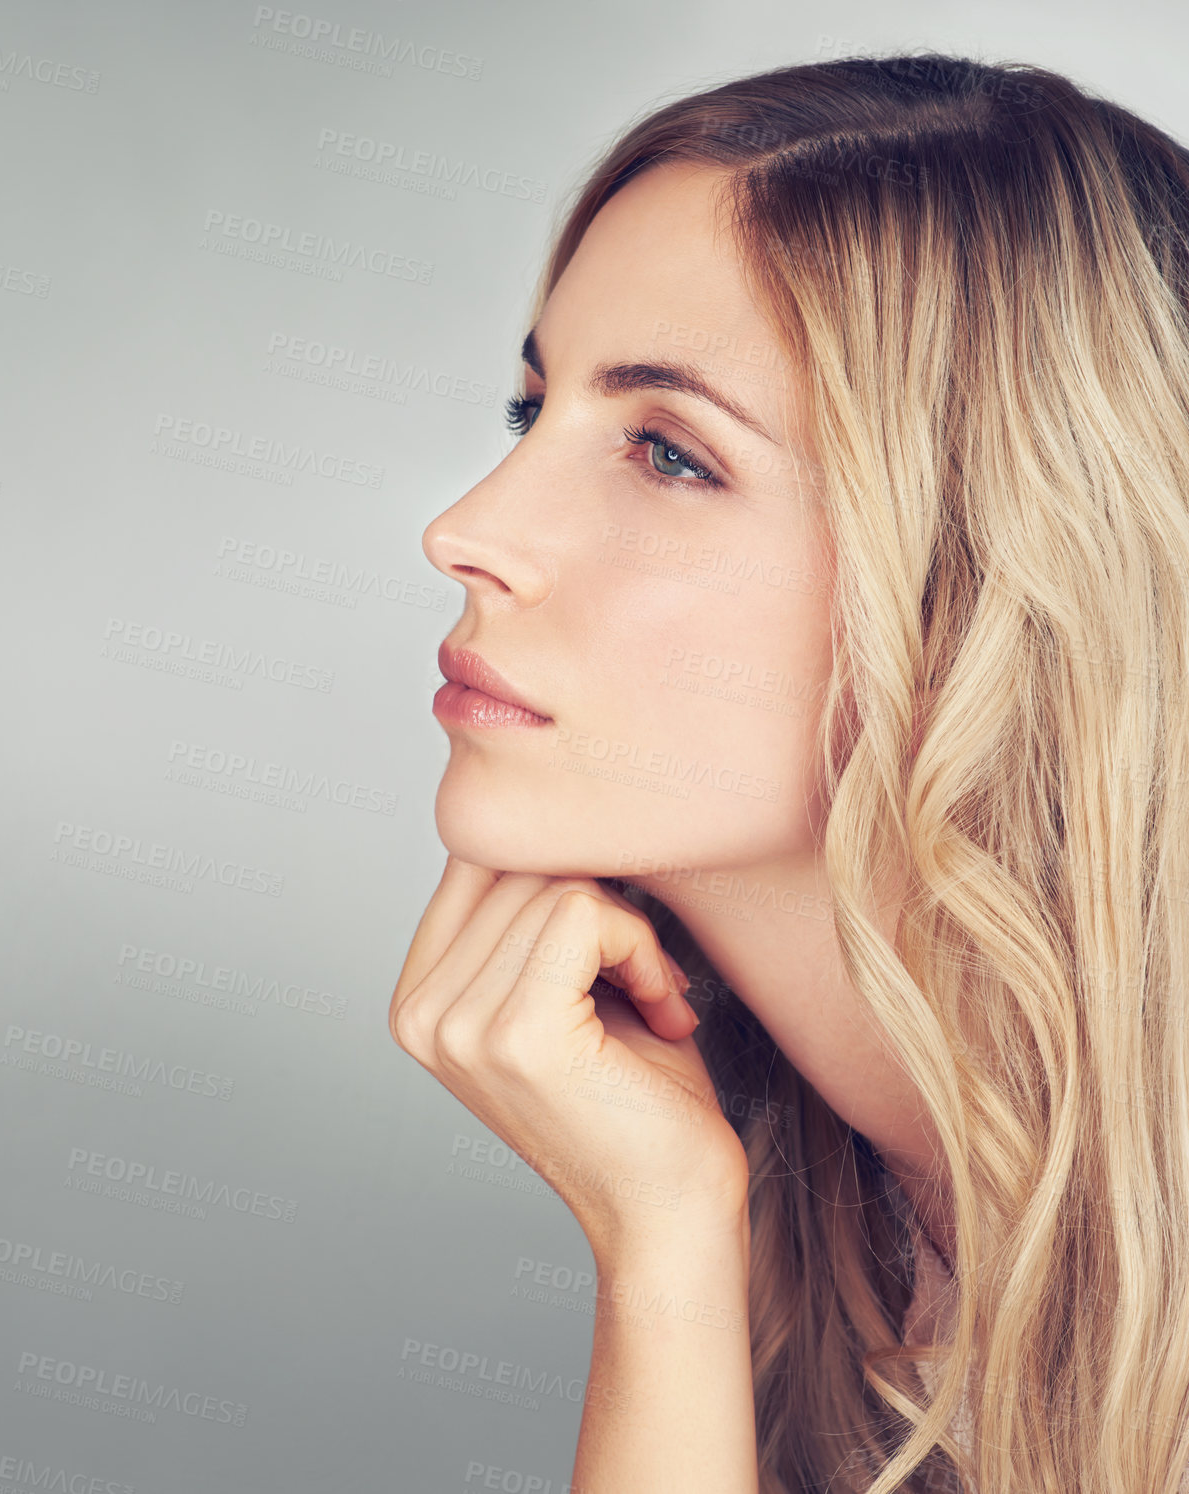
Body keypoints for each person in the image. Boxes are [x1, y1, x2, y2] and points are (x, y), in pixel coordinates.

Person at [390, 51, 1189, 1494]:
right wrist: (668, 1249)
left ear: (981, 585)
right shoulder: (816, 1218)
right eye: (532, 413)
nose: (464, 528)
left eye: (667, 453)